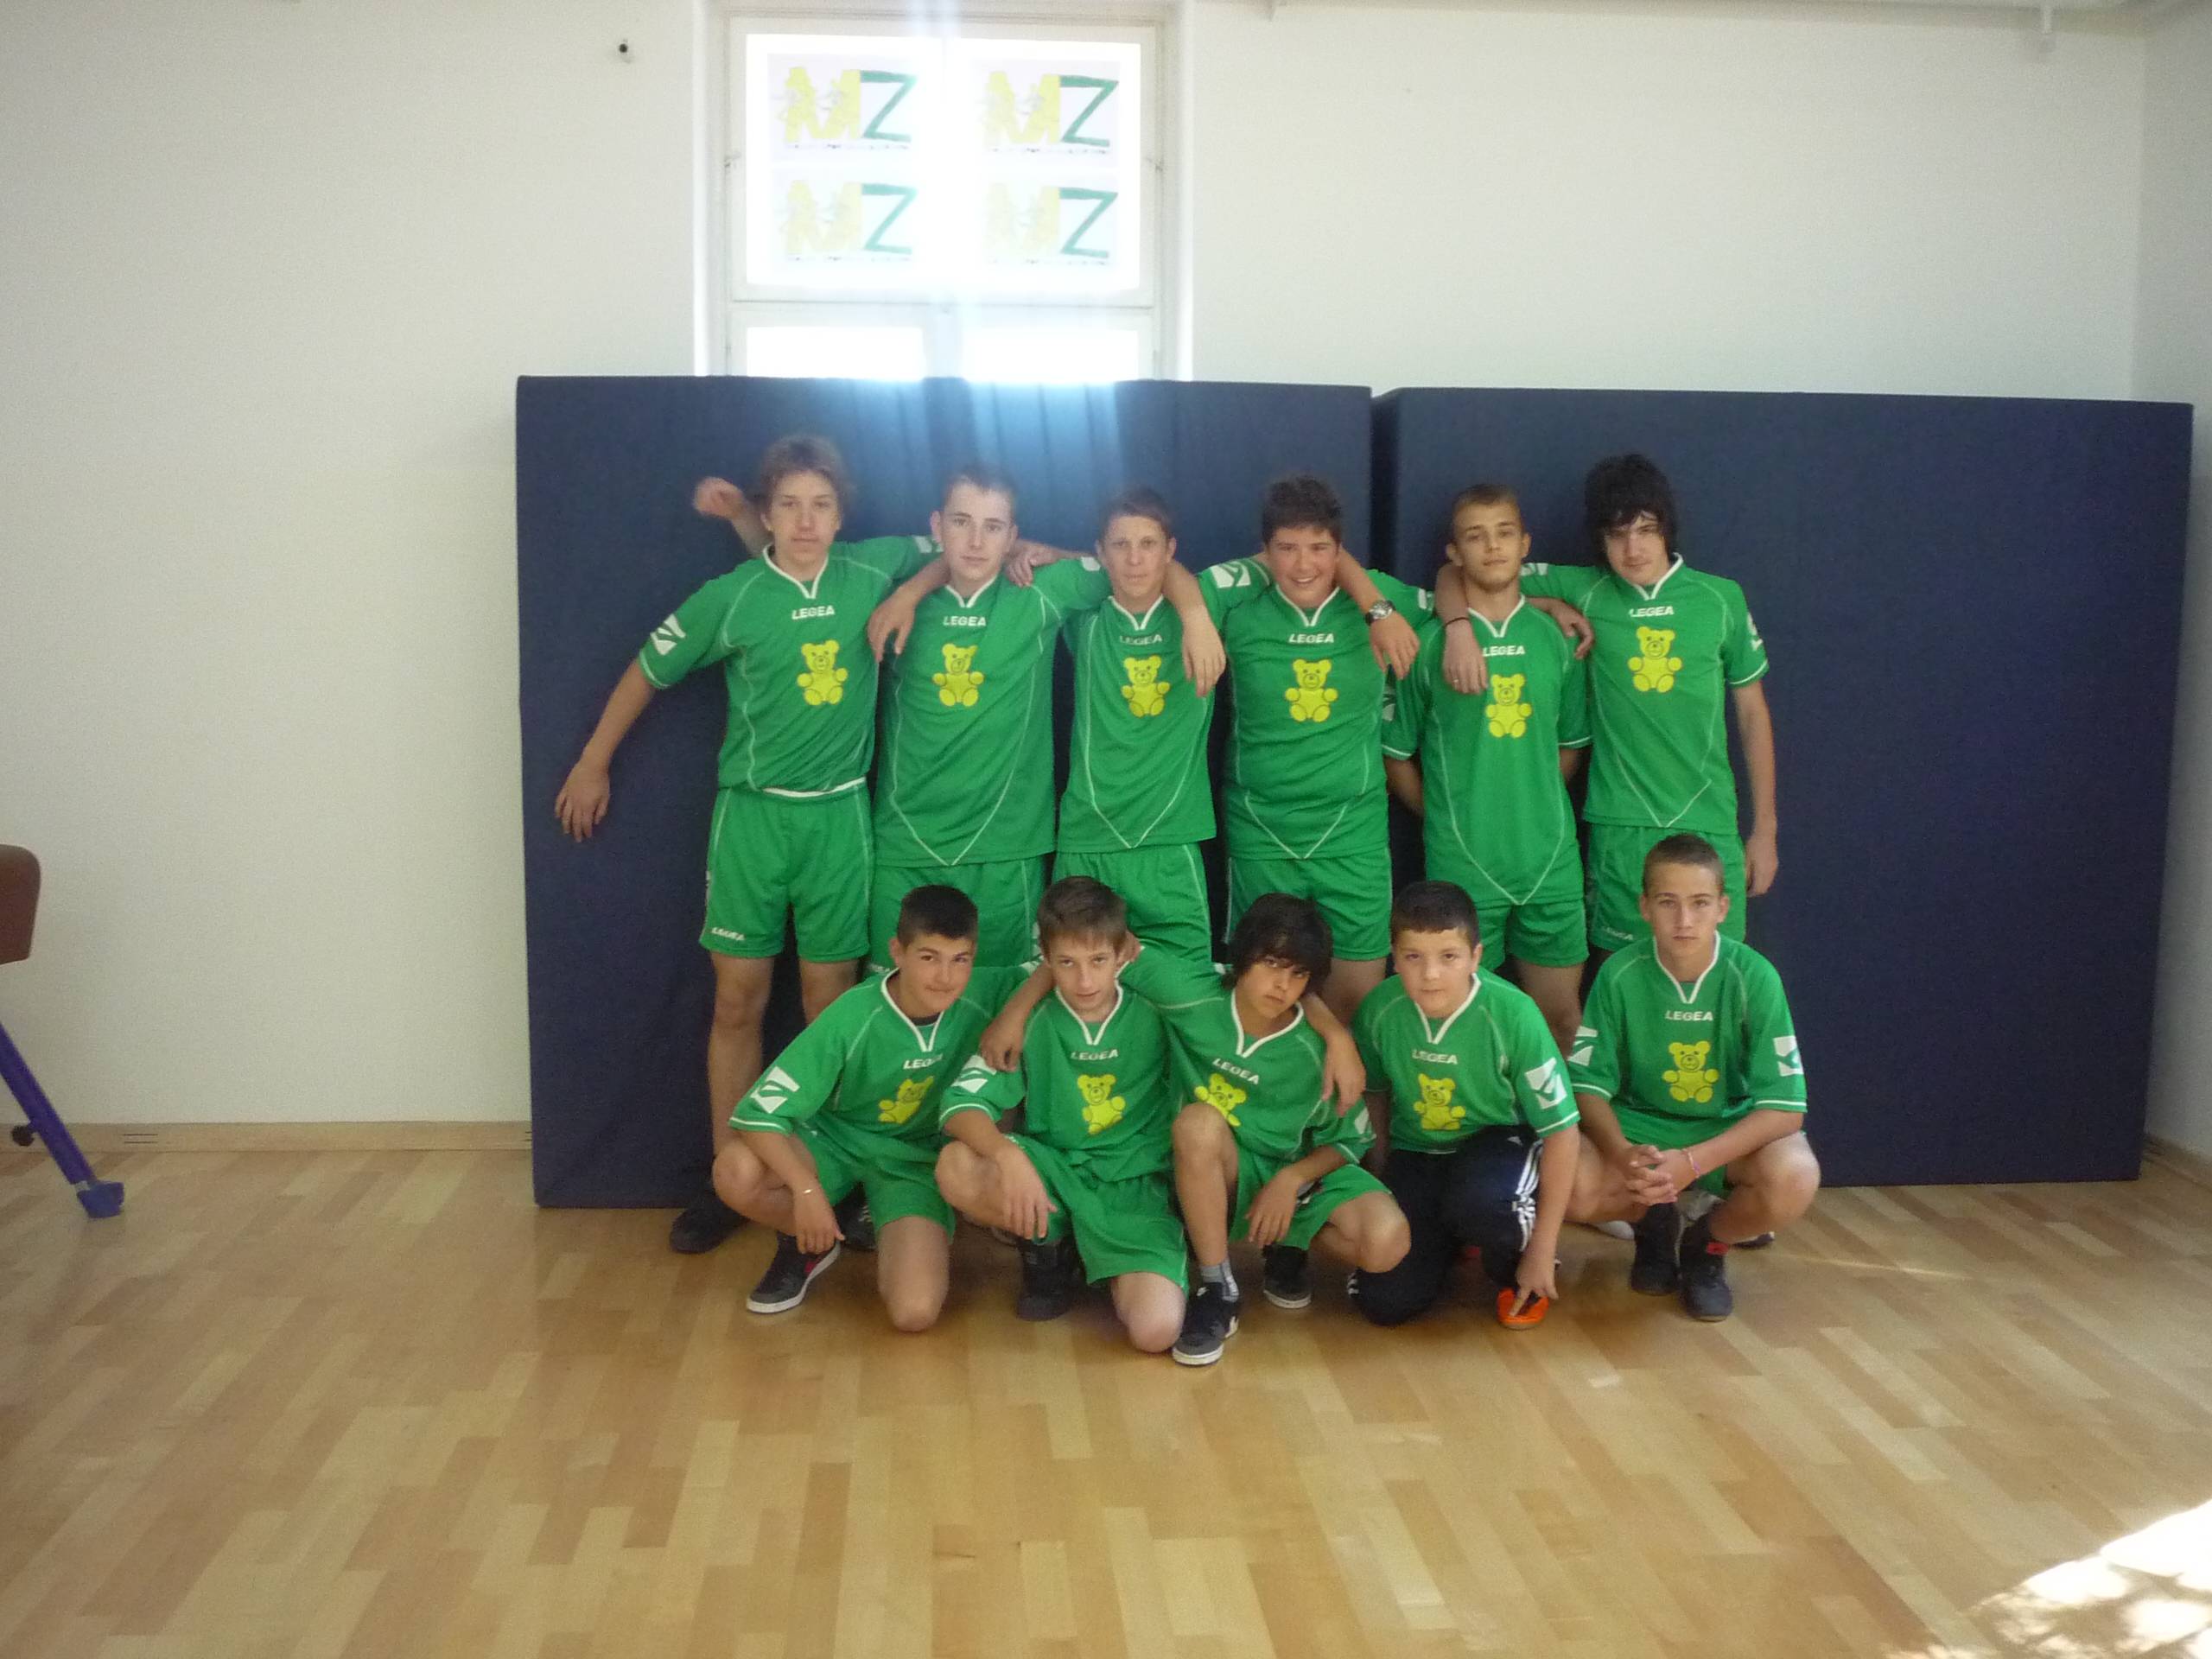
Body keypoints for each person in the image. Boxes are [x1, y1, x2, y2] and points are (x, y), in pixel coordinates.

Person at [556, 435, 932, 1255]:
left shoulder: (872, 569)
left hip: (839, 819)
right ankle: (729, 1174)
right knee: (738, 1001)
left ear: (842, 514)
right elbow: (649, 669)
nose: (806, 521)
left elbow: (953, 552)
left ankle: (828, 1177)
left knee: (830, 1006)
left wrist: (915, 591)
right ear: (768, 513)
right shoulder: (731, 597)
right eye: (789, 505)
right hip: (753, 822)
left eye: (821, 505)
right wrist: (592, 762)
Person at [859, 467, 1226, 969]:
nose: (975, 540)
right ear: (937, 525)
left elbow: (1142, 568)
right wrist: (910, 591)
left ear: (1011, 536)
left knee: (1011, 999)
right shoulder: (894, 593)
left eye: (992, 527)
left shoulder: (1042, 590)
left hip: (1008, 845)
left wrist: (1196, 616)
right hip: (906, 843)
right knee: (897, 1001)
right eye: (962, 522)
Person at [1435, 454, 1777, 959]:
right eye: (1617, 535)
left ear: (1668, 529)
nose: (1633, 549)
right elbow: (1461, 574)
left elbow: (1752, 716)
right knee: (1623, 977)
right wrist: (1463, 627)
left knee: (1717, 978)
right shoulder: (1587, 588)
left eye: (1646, 530)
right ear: (1600, 540)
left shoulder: (1720, 598)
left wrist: (1764, 831)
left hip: (1709, 822)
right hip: (1619, 825)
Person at [712, 886, 1027, 1327]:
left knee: (914, 1312)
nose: (945, 977)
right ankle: (811, 1238)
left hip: (913, 1163)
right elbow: (757, 1115)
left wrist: (1013, 1017)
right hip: (835, 1144)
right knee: (736, 1171)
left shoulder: (984, 991)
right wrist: (805, 1190)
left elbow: (1052, 967)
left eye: (960, 960)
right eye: (929, 957)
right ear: (897, 951)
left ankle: (868, 1217)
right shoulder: (854, 1014)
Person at [1128, 894, 1412, 1367]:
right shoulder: (1192, 993)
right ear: (1242, 958)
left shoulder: (1316, 1050)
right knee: (1198, 1123)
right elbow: (1102, 948)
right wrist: (1017, 1013)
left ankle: (1287, 1245)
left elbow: (1352, 1139)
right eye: (1272, 964)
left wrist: (1292, 1180)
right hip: (1225, 1169)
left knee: (1388, 1241)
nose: (1282, 985)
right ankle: (1218, 1287)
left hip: (1295, 1172)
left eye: (1298, 973)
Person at [1565, 835, 1821, 1321]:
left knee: (1795, 1177)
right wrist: (1621, 1153)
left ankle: (1708, 1244)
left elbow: (1786, 1109)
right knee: (1567, 1180)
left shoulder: (1754, 976)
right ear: (1644, 907)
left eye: (1700, 903)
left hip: (1723, 1130)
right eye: (1668, 902)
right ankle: (1653, 1224)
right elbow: (1587, 1087)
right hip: (1642, 1130)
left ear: (1723, 907)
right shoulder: (1619, 973)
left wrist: (1692, 1161)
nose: (1684, 920)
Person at [1209, 475, 1432, 1026]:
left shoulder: (1379, 598)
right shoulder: (1240, 606)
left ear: (1340, 550)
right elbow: (1152, 578)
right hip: (1264, 832)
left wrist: (1548, 604)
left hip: (1351, 833)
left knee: (1357, 1008)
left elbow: (1465, 592)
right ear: (1265, 552)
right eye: (1287, 548)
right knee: (1266, 1004)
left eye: (1319, 548)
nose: (1304, 565)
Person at [934, 878, 1187, 1353]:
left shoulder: (1160, 1007)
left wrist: (1329, 1030)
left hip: (1133, 1185)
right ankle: (1049, 1248)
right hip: (1054, 1172)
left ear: (1123, 954)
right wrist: (1007, 1156)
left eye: (1098, 961)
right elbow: (959, 1106)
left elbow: (1248, 982)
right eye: (1067, 963)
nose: (1085, 981)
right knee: (957, 1165)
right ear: (1046, 962)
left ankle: (1106, 1257)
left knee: (1156, 1331)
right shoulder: (1030, 1019)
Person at [1385, 485, 1591, 1054]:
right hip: (1464, 864)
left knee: (1562, 1023)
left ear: (1525, 544)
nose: (1492, 547)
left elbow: (1570, 746)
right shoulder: (1430, 646)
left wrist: (1532, 799)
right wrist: (1445, 817)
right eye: (1475, 537)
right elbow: (1395, 755)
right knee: (1470, 1029)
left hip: (1549, 861)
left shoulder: (1558, 638)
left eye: (1504, 533)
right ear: (1454, 554)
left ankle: (1560, 1119)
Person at [1348, 882, 1580, 1329]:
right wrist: (1381, 1179)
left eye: (1449, 956)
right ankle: (1449, 1240)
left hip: (1497, 1144)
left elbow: (1562, 1131)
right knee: (1386, 1303)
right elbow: (1374, 1094)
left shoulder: (1514, 1014)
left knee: (1485, 1203)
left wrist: (1544, 1247)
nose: (1430, 974)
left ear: (1476, 957)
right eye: (1413, 957)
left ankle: (1513, 1263)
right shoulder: (1380, 1009)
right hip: (1417, 1152)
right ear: (1394, 958)